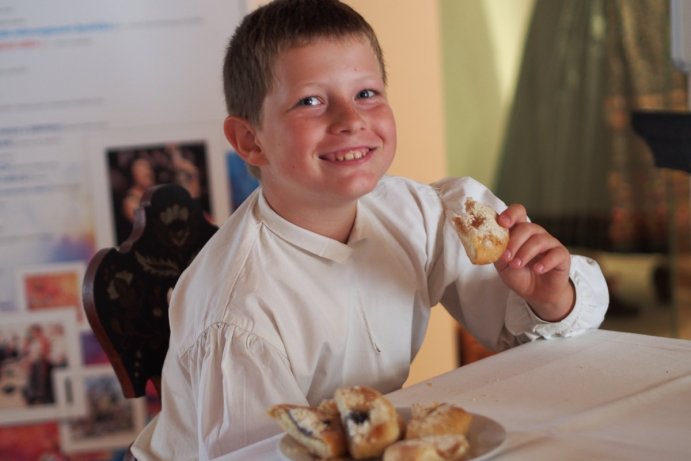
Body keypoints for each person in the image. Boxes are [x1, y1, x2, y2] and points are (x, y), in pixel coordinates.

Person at [131, 0, 609, 459]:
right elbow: (262, 455)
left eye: (366, 93)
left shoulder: (422, 214)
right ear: (250, 141)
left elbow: (538, 342)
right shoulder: (241, 316)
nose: (351, 120)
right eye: (311, 101)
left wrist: (547, 297)